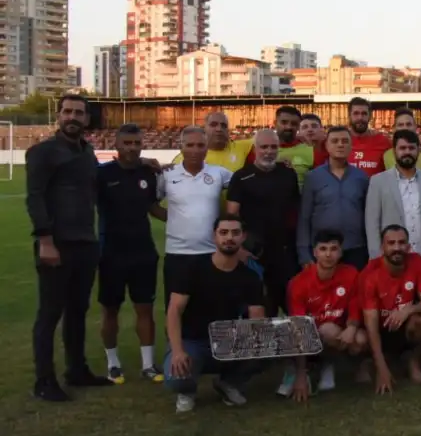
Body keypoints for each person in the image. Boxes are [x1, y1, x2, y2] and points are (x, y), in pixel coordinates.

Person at [27, 93, 110, 400]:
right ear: (59, 116)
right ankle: (44, 381)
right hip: (56, 244)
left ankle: (77, 370)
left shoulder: (87, 152)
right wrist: (45, 241)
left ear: (86, 119)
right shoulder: (43, 152)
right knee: (50, 313)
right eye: (67, 112)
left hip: (85, 243)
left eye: (79, 113)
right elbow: (35, 198)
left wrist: (141, 161)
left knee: (78, 310)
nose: (73, 117)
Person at [163, 214, 266, 413]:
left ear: (243, 237)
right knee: (176, 377)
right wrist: (177, 351)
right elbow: (174, 310)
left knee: (266, 351)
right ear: (214, 236)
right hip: (193, 340)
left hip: (228, 338)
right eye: (224, 233)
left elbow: (257, 318)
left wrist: (257, 345)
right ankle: (187, 391)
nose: (229, 238)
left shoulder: (250, 277)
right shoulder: (192, 269)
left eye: (235, 233)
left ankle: (229, 383)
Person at [95, 124, 163, 384]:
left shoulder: (148, 173)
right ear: (117, 145)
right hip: (111, 254)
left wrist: (185, 220)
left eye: (137, 143)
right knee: (110, 311)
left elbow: (153, 208)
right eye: (127, 143)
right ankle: (113, 364)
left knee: (145, 309)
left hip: (143, 252)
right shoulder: (102, 175)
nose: (132, 148)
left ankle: (148, 365)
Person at [156, 126, 234, 308]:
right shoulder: (167, 174)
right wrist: (174, 219)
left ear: (207, 148)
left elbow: (245, 180)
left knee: (211, 308)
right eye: (190, 145)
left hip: (212, 254)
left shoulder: (219, 173)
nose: (195, 150)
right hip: (177, 255)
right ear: (181, 147)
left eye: (200, 145)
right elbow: (151, 203)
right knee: (176, 309)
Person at [227, 129, 302, 316]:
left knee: (293, 308)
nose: (269, 151)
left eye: (273, 147)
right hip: (253, 254)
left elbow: (296, 213)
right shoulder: (241, 177)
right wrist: (239, 249)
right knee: (260, 309)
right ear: (255, 148)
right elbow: (231, 216)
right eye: (264, 147)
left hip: (284, 254)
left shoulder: (288, 174)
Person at [283, 230, 364, 401]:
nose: (328, 254)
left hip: (340, 331)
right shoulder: (298, 283)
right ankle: (307, 368)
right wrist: (300, 375)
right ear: (315, 252)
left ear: (341, 252)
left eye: (333, 249)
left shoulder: (351, 274)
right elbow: (299, 327)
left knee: (360, 340)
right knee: (328, 330)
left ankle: (349, 366)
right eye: (323, 249)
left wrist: (351, 327)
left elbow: (355, 307)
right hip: (314, 337)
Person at [359, 225, 421, 392]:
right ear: (382, 247)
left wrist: (408, 310)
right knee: (360, 338)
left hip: (402, 324)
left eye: (401, 243)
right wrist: (381, 369)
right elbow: (371, 325)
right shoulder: (370, 273)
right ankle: (374, 362)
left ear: (408, 246)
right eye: (391, 243)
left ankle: (413, 361)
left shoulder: (417, 261)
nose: (397, 248)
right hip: (379, 329)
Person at [366, 129, 421, 277]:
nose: (407, 152)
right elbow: (372, 223)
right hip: (393, 259)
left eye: (411, 148)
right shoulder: (378, 181)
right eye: (402, 148)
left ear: (418, 150)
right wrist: (376, 256)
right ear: (394, 151)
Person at [298, 126, 371, 270]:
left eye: (345, 141)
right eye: (335, 141)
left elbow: (367, 215)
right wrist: (304, 253)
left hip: (355, 248)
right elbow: (304, 217)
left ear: (351, 146)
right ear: (326, 145)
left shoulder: (361, 177)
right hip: (323, 250)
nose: (340, 145)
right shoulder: (313, 177)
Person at [245, 105, 320, 187]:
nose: (289, 127)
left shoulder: (311, 150)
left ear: (298, 126)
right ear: (275, 123)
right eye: (284, 122)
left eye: (294, 124)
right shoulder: (257, 150)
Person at [177, 111, 251, 171]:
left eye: (223, 126)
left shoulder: (242, 147)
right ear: (204, 128)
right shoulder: (184, 159)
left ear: (228, 130)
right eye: (213, 125)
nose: (219, 129)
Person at [347, 96, 391, 177]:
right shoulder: (339, 141)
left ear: (370, 116)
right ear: (349, 116)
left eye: (364, 113)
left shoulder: (384, 141)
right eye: (356, 113)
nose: (360, 118)